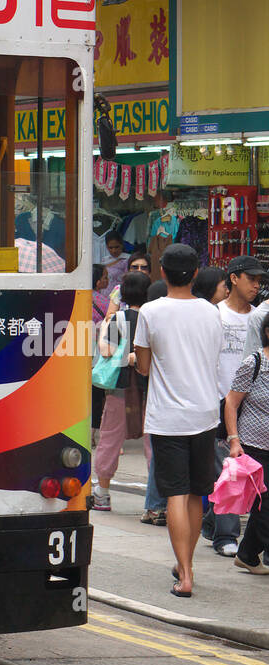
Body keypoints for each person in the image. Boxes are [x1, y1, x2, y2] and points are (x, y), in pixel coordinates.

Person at [134, 243, 224, 597]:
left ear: (161, 273)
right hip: (205, 413)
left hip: (168, 416)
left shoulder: (151, 312)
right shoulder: (210, 311)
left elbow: (143, 367)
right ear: (196, 274)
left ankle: (184, 575)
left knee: (175, 492)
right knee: (197, 493)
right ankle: (188, 564)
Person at [201, 256, 269, 558]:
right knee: (228, 470)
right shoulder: (213, 315)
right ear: (234, 278)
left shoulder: (258, 317)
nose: (257, 285)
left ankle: (210, 521)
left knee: (240, 474)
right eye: (251, 278)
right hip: (220, 399)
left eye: (260, 280)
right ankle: (226, 534)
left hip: (251, 400)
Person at [92, 269, 151, 512]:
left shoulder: (118, 320)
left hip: (120, 388)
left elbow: (106, 352)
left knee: (110, 438)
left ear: (123, 293)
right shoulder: (152, 319)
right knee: (153, 442)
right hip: (150, 388)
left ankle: (103, 493)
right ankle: (155, 501)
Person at [224, 310, 269, 573]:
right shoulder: (254, 364)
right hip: (254, 447)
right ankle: (248, 553)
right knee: (264, 508)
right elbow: (231, 402)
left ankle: (248, 554)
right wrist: (234, 440)